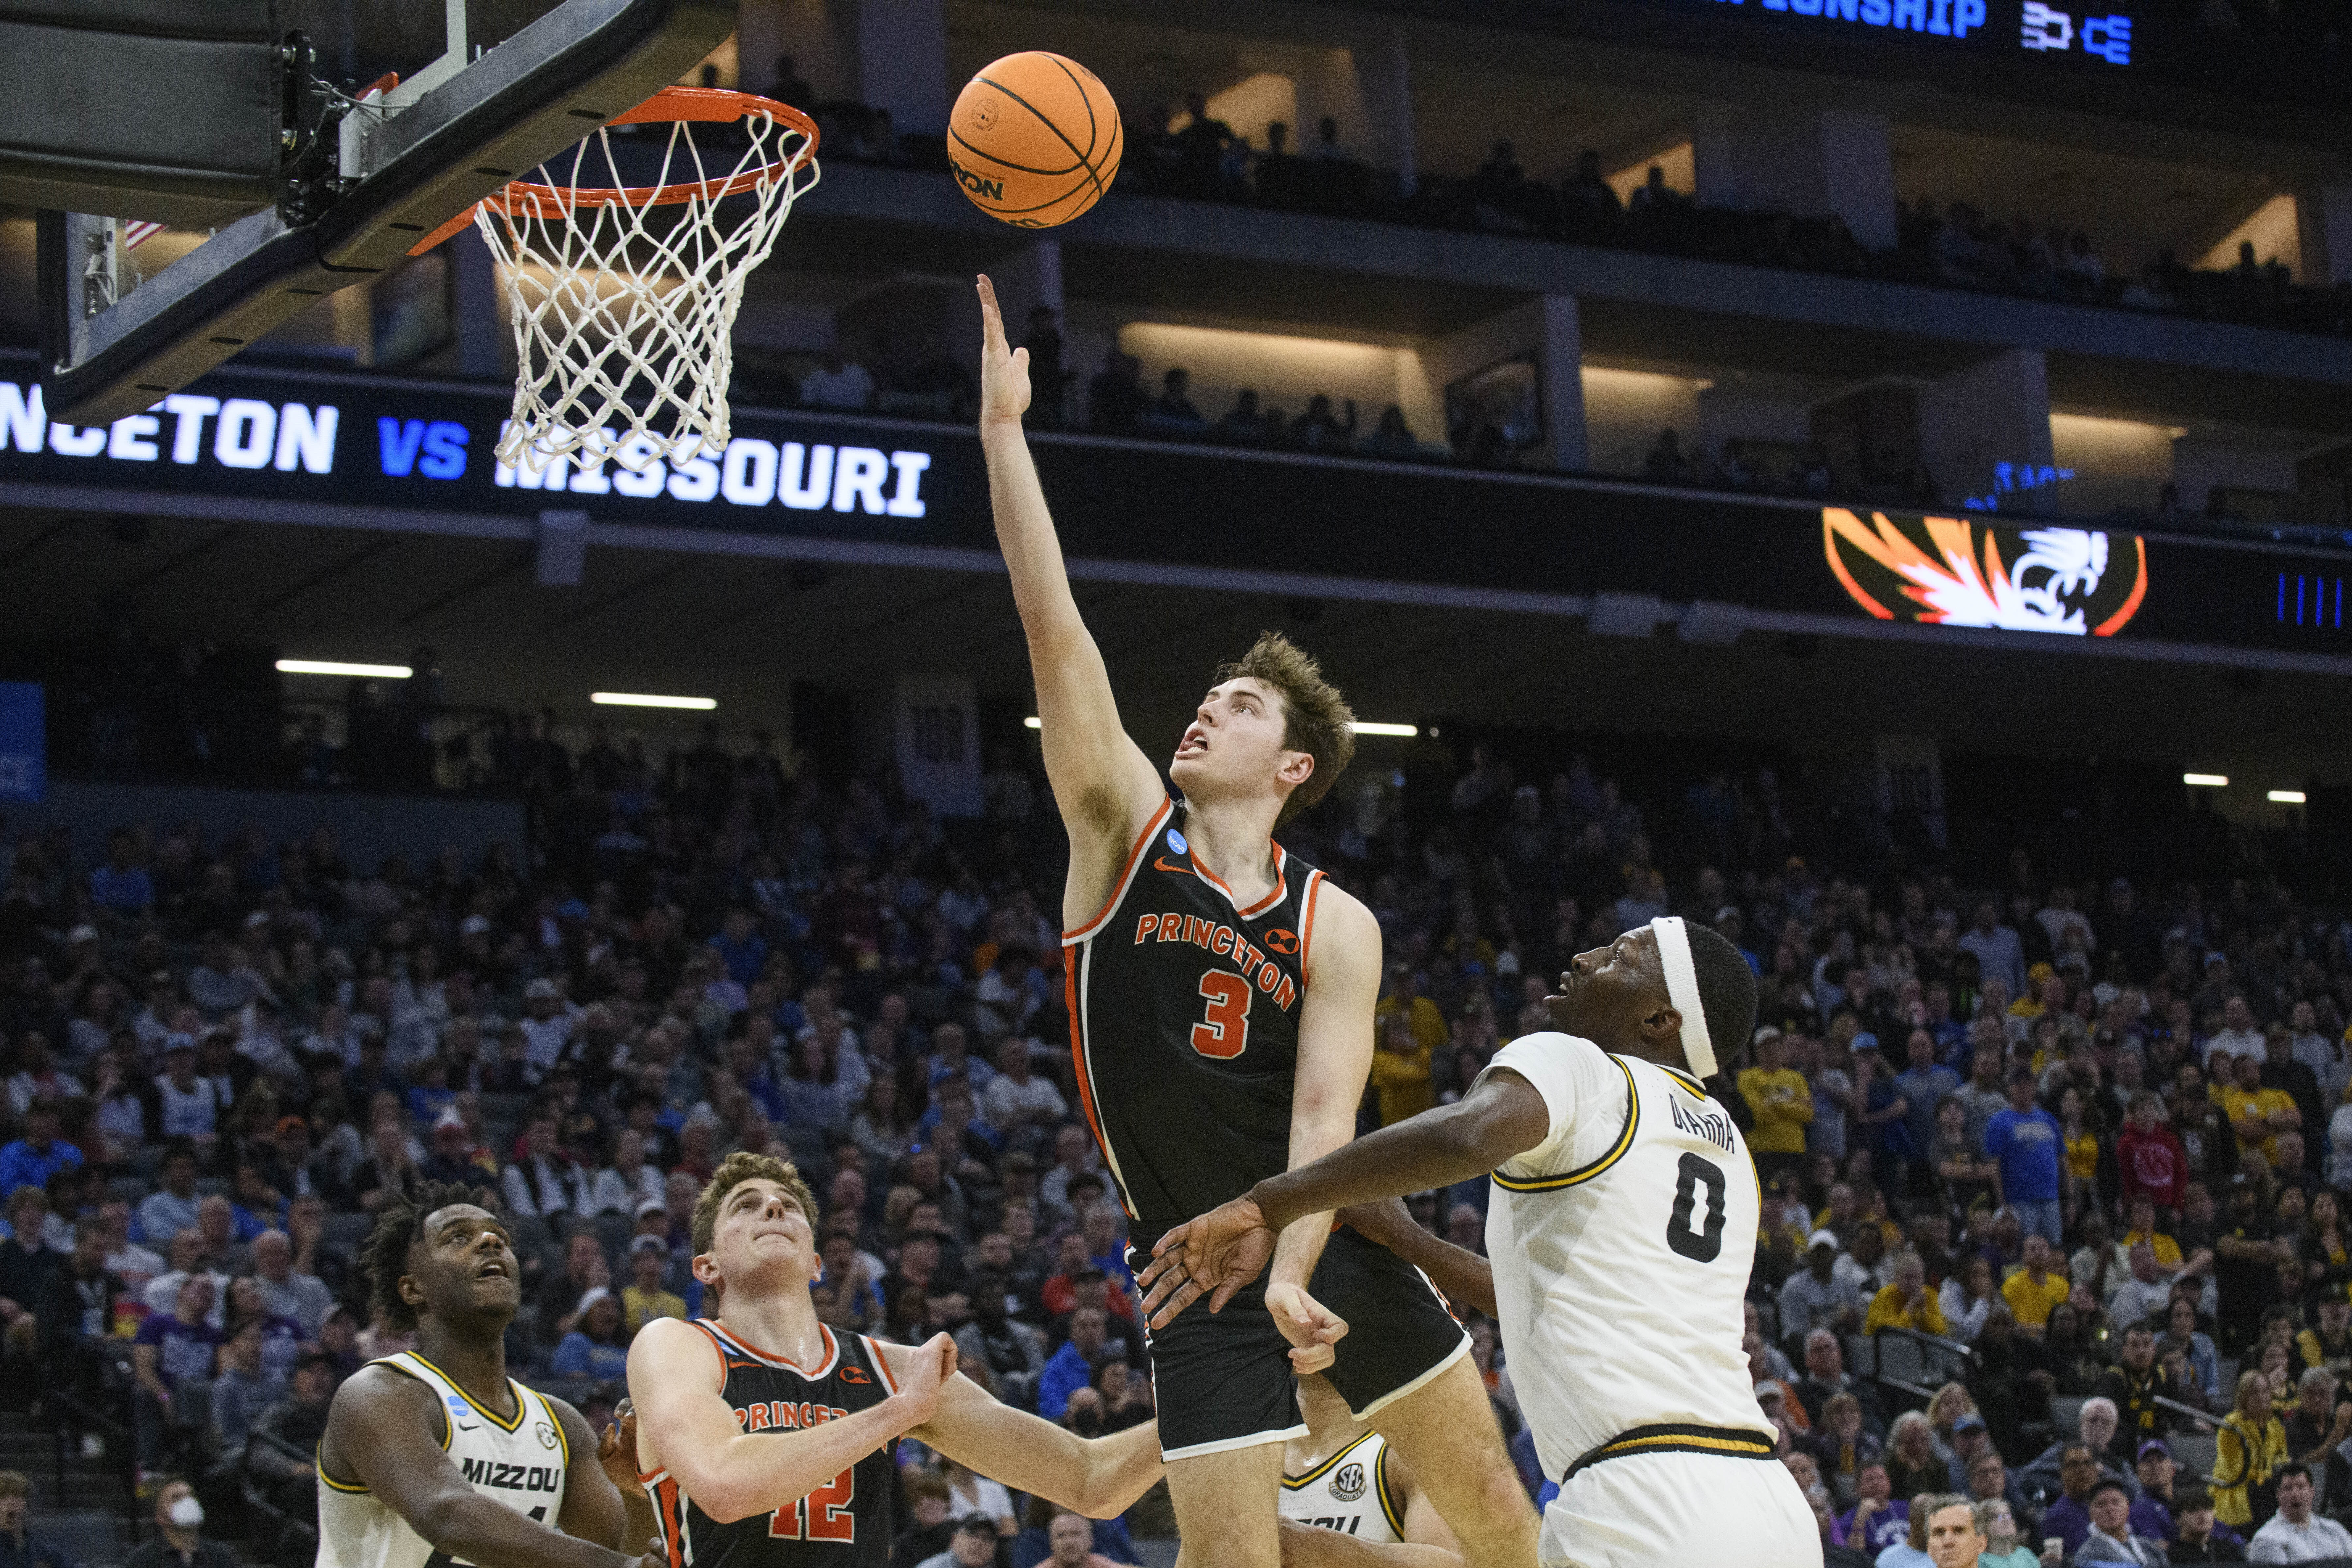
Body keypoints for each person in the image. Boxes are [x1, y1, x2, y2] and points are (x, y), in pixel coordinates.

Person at [972, 274, 1525, 1568]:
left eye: (1240, 707)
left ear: (1293, 768)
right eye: (1207, 697)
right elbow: (1053, 630)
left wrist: (1291, 1267)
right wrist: (1004, 436)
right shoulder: (1119, 829)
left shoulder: (1336, 920)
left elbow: (1326, 1126)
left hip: (1313, 1242)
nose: (1206, 711)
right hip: (1189, 1272)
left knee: (1502, 1529)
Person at [1138, 918, 1817, 1564]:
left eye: (1617, 957)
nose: (1583, 959)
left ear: (1658, 1022)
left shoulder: (1581, 1065)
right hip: (1770, 1503)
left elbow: (1465, 1134)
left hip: (1646, 1501)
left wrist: (1266, 1202)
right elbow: (1544, 1299)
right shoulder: (1726, 1145)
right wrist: (1408, 1239)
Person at [622, 1152, 1164, 1568]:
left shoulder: (893, 1371)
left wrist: (1212, 1406)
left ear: (816, 1264)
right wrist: (900, 1412)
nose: (773, 1207)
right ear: (706, 1266)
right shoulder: (675, 1345)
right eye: (746, 1206)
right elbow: (724, 1485)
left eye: (787, 1205)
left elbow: (1091, 1482)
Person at [314, 1181, 657, 1568]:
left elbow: (624, 1551)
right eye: (458, 1237)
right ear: (413, 1290)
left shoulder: (561, 1425)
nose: (491, 1243)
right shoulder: (377, 1394)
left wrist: (637, 1494)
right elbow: (446, 1516)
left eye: (501, 1238)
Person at [1277, 1370, 1464, 1565]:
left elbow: (1457, 1563)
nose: (1316, 1339)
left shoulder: (1410, 1450)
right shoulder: (1252, 1455)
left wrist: (1325, 1549)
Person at [2213, 1370, 2290, 1535]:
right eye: (2254, 1393)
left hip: (2266, 1490)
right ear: (2244, 1398)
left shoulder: (2275, 1425)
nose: (2261, 1397)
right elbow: (2233, 1469)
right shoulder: (2232, 1425)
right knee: (2264, 1488)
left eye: (2265, 1391)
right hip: (2237, 1491)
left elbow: (2281, 1461)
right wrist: (2265, 1476)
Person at [2244, 1463, 2352, 1561]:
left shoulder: (2335, 1530)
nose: (2295, 1494)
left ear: (2312, 1492)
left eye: (2301, 1487)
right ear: (2279, 1495)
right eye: (2288, 1488)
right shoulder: (2267, 1539)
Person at [120, 1478, 237, 1568]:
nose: (188, 1502)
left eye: (191, 1495)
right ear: (160, 1517)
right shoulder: (143, 1560)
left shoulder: (222, 1556)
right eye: (177, 1498)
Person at [2078, 1476, 2167, 1563]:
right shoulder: (2088, 1554)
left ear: (2128, 1508)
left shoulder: (2149, 1546)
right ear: (2091, 1514)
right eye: (2102, 1504)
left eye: (2116, 1502)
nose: (2110, 1509)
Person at [0, 1470, 76, 1568]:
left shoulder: (49, 1555)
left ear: (28, 1505)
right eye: (3, 1496)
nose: (10, 1503)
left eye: (18, 1496)